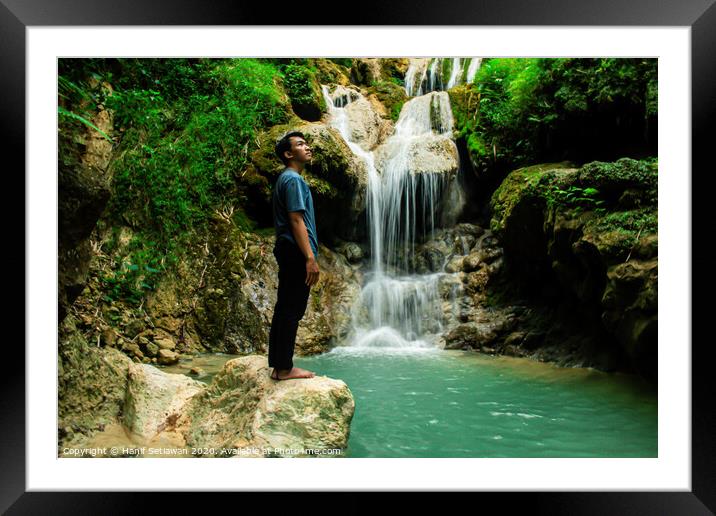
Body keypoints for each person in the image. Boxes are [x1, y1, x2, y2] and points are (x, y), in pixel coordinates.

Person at [268, 131, 320, 380]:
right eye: (301, 145)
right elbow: (296, 219)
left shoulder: (285, 179)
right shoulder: (294, 180)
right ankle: (284, 368)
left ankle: (279, 365)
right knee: (292, 309)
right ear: (289, 154)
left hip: (287, 248)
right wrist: (310, 257)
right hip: (295, 250)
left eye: (306, 143)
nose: (307, 147)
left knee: (284, 307)